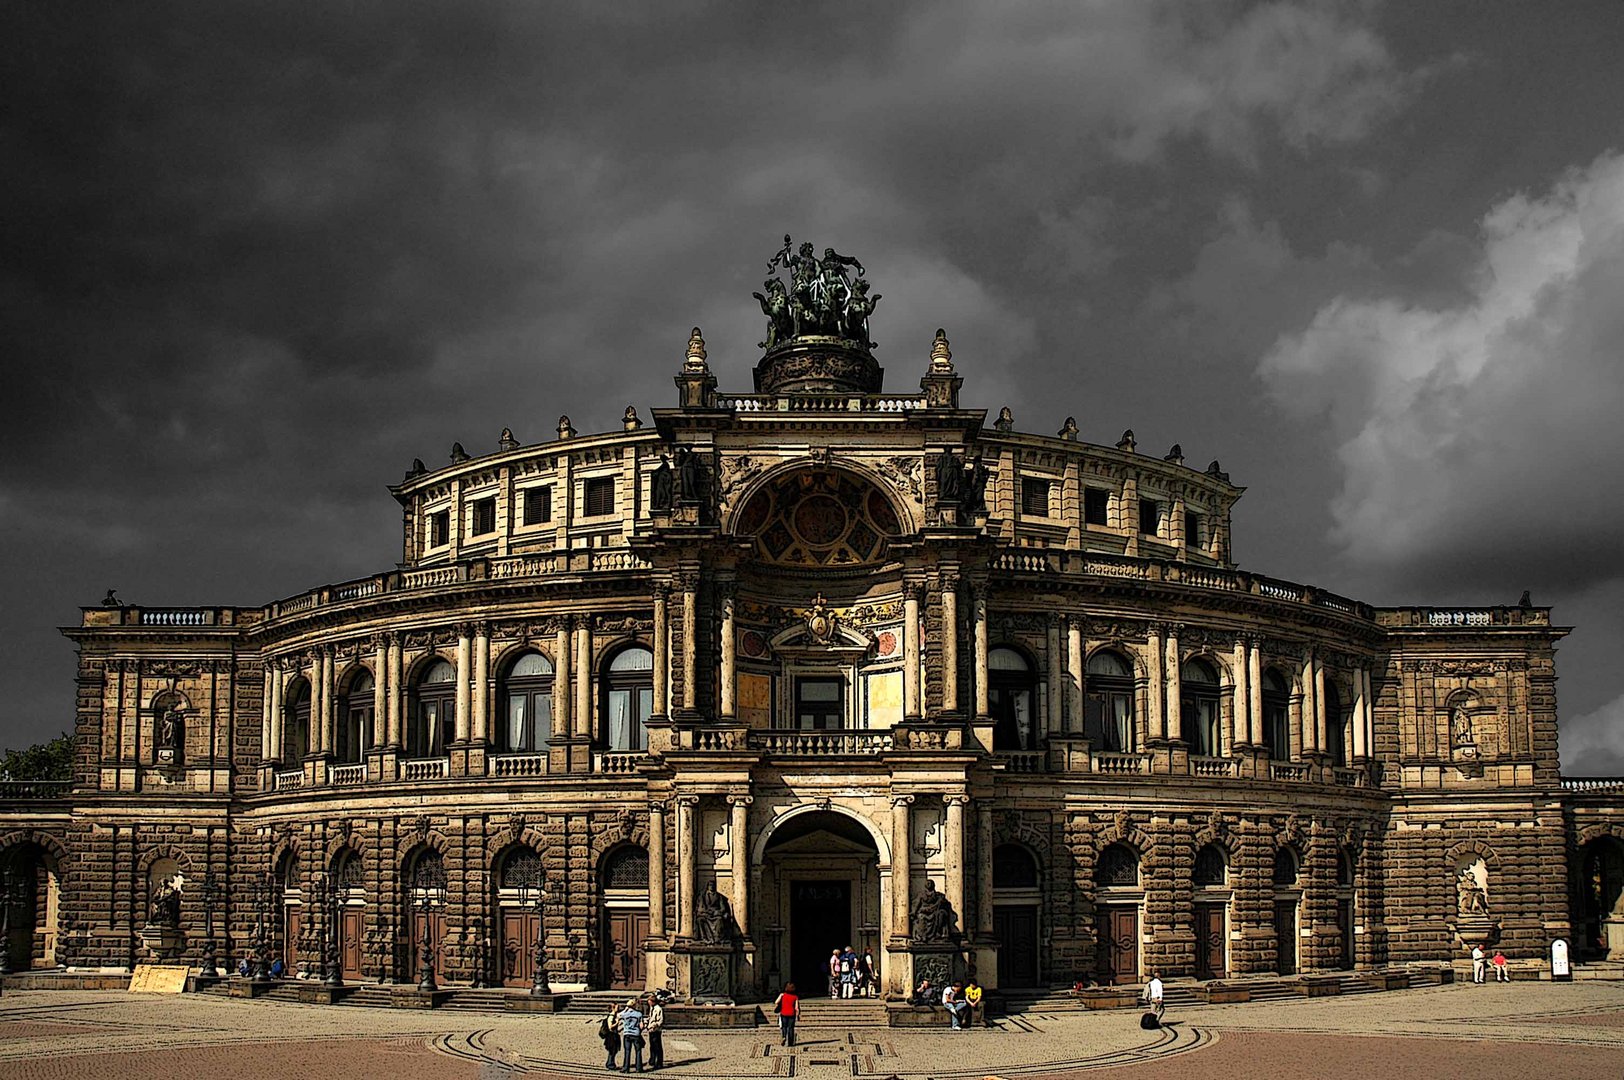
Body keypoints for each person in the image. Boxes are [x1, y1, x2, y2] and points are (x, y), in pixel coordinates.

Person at [618, 998, 645, 1073]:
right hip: (636, 1034)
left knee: (627, 1051)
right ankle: (639, 1068)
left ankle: (626, 1068)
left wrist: (625, 1010)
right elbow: (641, 1026)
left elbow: (618, 1015)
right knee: (638, 1051)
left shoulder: (624, 1014)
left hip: (627, 1033)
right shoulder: (639, 1014)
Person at [773, 981, 800, 1047]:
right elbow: (796, 1008)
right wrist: (798, 1015)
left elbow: (776, 1002)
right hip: (791, 1014)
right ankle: (790, 1042)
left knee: (784, 1027)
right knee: (791, 1028)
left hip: (783, 1013)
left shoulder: (783, 995)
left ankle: (784, 1036)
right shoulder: (795, 997)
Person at [597, 1003, 622, 1070]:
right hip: (611, 1036)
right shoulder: (611, 1016)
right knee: (612, 1050)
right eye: (617, 1007)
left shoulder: (614, 1015)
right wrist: (617, 1022)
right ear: (613, 1008)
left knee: (614, 1050)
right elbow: (610, 1027)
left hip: (614, 1035)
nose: (619, 1008)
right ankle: (610, 1064)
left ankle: (610, 1062)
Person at [644, 994, 665, 1070]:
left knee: (657, 1046)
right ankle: (652, 1060)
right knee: (652, 1046)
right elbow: (651, 1017)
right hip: (651, 1030)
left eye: (649, 1001)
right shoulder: (652, 1008)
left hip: (656, 1030)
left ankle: (659, 1062)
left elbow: (660, 1020)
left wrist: (653, 1025)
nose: (648, 1003)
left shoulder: (658, 1009)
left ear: (652, 1001)